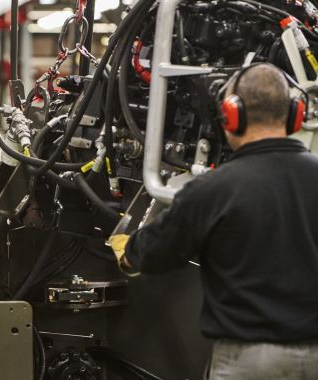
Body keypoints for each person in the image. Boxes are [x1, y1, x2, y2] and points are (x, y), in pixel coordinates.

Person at [109, 63, 318, 379]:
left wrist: (125, 246)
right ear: (295, 113)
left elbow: (150, 254)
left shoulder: (212, 190)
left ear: (232, 115)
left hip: (248, 363)